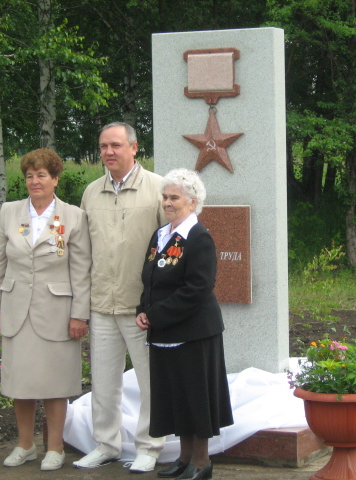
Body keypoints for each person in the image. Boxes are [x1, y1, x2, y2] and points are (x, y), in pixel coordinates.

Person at [0, 148, 91, 471]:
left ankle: (55, 447)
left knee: (55, 384)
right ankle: (25, 445)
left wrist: (79, 314)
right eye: (30, 175)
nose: (35, 181)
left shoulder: (73, 216)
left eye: (42, 175)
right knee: (22, 383)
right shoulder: (9, 212)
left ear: (55, 179)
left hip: (58, 312)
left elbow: (81, 268)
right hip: (16, 310)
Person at [74, 122, 166, 473]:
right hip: (101, 304)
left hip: (140, 308)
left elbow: (168, 250)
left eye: (115, 145)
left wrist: (155, 304)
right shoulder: (91, 192)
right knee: (104, 382)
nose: (108, 152)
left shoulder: (157, 189)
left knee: (149, 382)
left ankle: (149, 446)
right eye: (103, 146)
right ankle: (106, 444)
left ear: (134, 147)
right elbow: (83, 251)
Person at [136, 168, 233, 480]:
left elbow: (197, 288)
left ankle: (202, 462)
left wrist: (156, 315)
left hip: (194, 333)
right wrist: (142, 309)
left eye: (174, 197)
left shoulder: (198, 236)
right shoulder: (161, 235)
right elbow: (150, 279)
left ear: (192, 202)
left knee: (195, 397)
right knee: (175, 397)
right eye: (164, 197)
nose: (167, 202)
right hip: (165, 331)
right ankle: (184, 458)